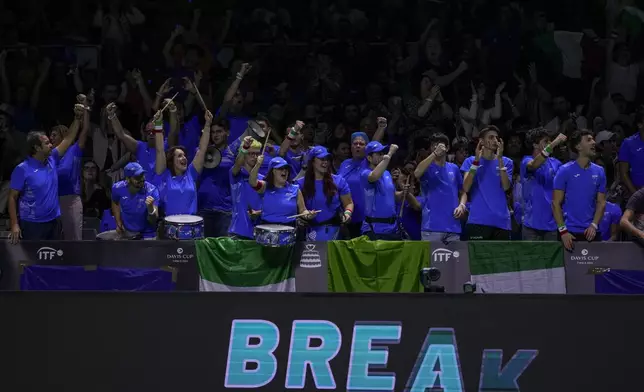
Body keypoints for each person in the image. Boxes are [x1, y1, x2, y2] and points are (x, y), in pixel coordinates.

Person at [8, 105, 83, 244]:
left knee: (53, 261)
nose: (51, 145)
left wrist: (77, 118)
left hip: (54, 221)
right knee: (34, 262)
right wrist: (14, 224)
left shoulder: (52, 158)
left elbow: (68, 138)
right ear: (36, 148)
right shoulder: (22, 169)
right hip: (32, 224)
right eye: (47, 143)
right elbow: (12, 197)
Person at [553, 129, 607, 251]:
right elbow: (555, 203)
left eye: (593, 139)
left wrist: (594, 225)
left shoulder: (600, 171)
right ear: (578, 146)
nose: (594, 142)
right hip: (569, 233)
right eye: (588, 140)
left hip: (591, 233)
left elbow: (601, 202)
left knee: (594, 270)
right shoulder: (564, 171)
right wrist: (563, 231)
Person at [154, 109, 212, 216]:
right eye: (179, 156)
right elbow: (159, 150)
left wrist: (207, 124)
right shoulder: (164, 175)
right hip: (170, 226)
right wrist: (158, 124)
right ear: (171, 160)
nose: (184, 158)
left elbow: (202, 149)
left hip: (191, 226)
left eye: (184, 155)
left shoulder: (191, 174)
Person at [461, 125, 513, 240]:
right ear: (481, 141)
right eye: (491, 137)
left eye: (496, 138)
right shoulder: (470, 161)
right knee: (478, 258)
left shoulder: (506, 162)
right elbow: (465, 187)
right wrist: (476, 162)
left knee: (501, 258)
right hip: (478, 221)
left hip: (502, 222)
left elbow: (506, 187)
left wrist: (499, 159)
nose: (495, 140)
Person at [337, 118, 386, 238]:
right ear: (351, 147)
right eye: (355, 143)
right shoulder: (345, 164)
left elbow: (374, 143)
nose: (358, 146)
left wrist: (381, 128)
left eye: (362, 144)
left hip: (365, 217)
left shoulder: (367, 163)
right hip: (346, 214)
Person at [414, 132, 467, 242]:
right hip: (431, 227)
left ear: (447, 148)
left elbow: (462, 192)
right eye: (434, 145)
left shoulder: (454, 168)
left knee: (456, 259)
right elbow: (417, 173)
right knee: (430, 260)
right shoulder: (426, 167)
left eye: (440, 145)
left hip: (453, 226)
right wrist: (434, 154)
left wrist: (462, 205)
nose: (437, 147)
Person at [107, 102, 176, 183]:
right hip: (143, 190)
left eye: (154, 131)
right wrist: (112, 115)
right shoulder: (140, 146)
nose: (151, 134)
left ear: (162, 132)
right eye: (148, 132)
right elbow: (121, 135)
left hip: (162, 189)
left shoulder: (167, 145)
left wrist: (173, 110)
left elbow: (174, 132)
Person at [52, 94, 90, 240]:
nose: (52, 138)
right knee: (55, 238)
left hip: (71, 199)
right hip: (52, 200)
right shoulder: (50, 155)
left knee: (74, 239)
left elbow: (85, 129)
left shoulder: (75, 149)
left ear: (63, 136)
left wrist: (85, 106)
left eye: (55, 135)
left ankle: (76, 263)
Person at [297, 146, 354, 241]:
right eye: (321, 159)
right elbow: (300, 210)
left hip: (335, 232)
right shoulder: (300, 184)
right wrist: (305, 216)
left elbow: (348, 203)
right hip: (310, 233)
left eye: (327, 159)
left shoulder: (339, 181)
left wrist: (347, 214)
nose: (325, 162)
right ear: (312, 161)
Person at [197, 117, 241, 237]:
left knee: (223, 248)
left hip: (224, 210)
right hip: (204, 208)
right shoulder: (203, 153)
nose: (215, 135)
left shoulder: (233, 155)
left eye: (219, 131)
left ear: (227, 132)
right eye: (213, 132)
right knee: (204, 248)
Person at [520, 128, 567, 241]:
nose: (550, 143)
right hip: (530, 225)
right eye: (546, 141)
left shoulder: (557, 164)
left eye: (550, 141)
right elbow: (534, 165)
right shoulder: (526, 161)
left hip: (551, 225)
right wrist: (555, 142)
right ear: (535, 144)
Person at [249, 156, 317, 226]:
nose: (284, 171)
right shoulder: (265, 187)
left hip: (289, 230)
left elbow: (302, 210)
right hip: (266, 230)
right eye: (280, 168)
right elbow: (252, 182)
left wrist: (308, 215)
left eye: (286, 169)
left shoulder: (295, 189)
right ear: (273, 171)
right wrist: (258, 165)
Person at [361, 141, 408, 240]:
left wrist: (402, 193)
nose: (383, 156)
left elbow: (393, 196)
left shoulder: (387, 173)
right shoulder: (365, 173)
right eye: (379, 154)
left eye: (383, 153)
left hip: (392, 228)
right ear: (369, 158)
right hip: (374, 228)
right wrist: (390, 154)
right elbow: (374, 176)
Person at [111, 162, 159, 240]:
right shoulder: (117, 188)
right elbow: (115, 202)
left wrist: (150, 208)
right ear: (128, 179)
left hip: (148, 233)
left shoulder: (152, 190)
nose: (142, 179)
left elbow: (153, 221)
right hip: (127, 232)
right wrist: (118, 222)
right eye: (137, 177)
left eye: (142, 175)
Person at [229, 137, 264, 239]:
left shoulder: (262, 179)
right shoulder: (236, 174)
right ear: (244, 155)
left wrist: (259, 213)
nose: (255, 156)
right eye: (250, 153)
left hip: (258, 230)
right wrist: (244, 147)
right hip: (238, 230)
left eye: (257, 154)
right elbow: (238, 163)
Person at [618, 112, 644, 199]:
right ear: (640, 124)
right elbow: (623, 173)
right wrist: (636, 195)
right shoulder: (628, 143)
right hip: (637, 190)